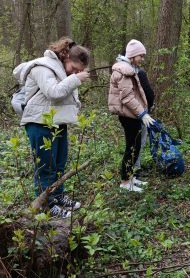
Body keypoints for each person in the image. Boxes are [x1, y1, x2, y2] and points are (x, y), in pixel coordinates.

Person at [13, 37, 91, 218]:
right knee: (45, 166)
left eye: (78, 71)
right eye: (74, 68)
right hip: (39, 122)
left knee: (59, 163)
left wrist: (73, 78)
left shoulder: (63, 71)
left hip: (57, 122)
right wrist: (76, 79)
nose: (74, 73)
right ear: (65, 57)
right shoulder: (42, 67)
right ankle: (46, 204)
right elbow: (53, 93)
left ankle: (57, 196)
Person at [108, 39, 155, 192]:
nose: (142, 59)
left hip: (133, 115)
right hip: (129, 116)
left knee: (136, 146)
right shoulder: (124, 71)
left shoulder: (129, 68)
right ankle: (125, 181)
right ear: (133, 55)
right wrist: (142, 114)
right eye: (140, 56)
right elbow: (127, 97)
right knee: (131, 148)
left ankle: (131, 177)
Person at [134, 68, 155, 176]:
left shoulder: (120, 71)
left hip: (129, 112)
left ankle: (134, 168)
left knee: (133, 142)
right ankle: (136, 169)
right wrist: (150, 106)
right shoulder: (139, 72)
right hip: (141, 111)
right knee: (139, 142)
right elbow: (148, 92)